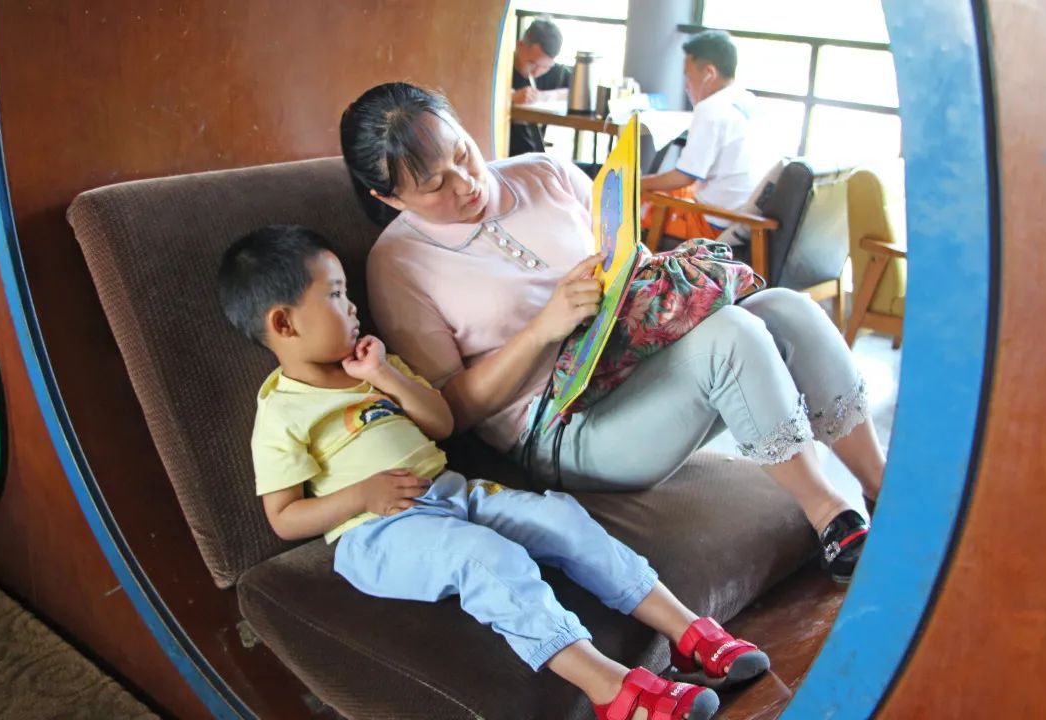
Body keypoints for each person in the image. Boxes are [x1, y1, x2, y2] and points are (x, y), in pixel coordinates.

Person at [216, 224, 773, 720]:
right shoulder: (281, 411)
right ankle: (610, 689)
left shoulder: (373, 365)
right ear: (283, 323)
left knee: (561, 520)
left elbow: (439, 422)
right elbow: (284, 517)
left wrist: (385, 376)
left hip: (454, 493)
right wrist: (361, 495)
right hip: (377, 533)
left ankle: (687, 633)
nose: (352, 306)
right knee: (485, 558)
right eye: (336, 295)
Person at [341, 82, 885, 584]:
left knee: (786, 308)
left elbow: (627, 254)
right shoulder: (399, 265)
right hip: (561, 425)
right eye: (434, 185)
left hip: (641, 360)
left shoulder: (546, 173)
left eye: (462, 154)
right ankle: (830, 515)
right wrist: (542, 331)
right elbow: (449, 412)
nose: (465, 185)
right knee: (732, 337)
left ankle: (883, 488)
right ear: (389, 199)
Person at [641, 30, 765, 241]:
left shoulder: (711, 108)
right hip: (745, 217)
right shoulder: (749, 101)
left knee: (635, 198)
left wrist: (638, 183)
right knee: (664, 190)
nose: (686, 85)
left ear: (709, 72)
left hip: (714, 223)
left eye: (688, 76)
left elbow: (684, 177)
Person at [509, 17, 572, 157]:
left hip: (533, 156)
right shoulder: (502, 68)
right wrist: (511, 98)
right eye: (532, 63)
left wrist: (543, 96)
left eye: (544, 66)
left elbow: (576, 92)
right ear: (519, 46)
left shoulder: (556, 73)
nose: (536, 72)